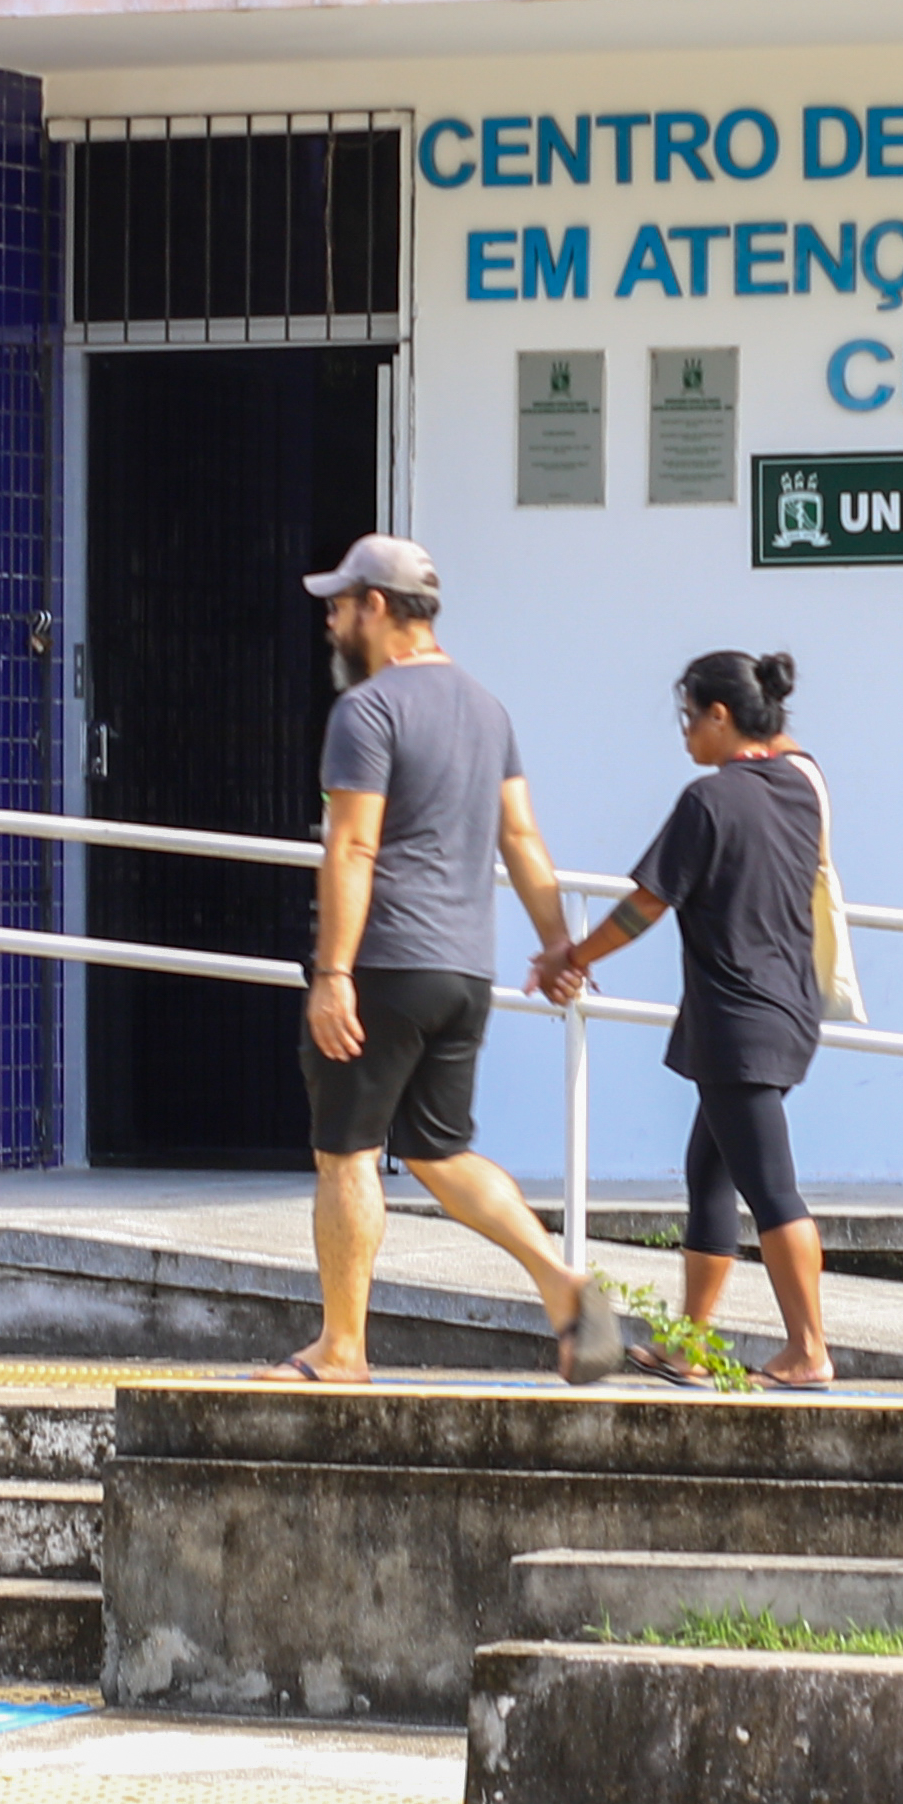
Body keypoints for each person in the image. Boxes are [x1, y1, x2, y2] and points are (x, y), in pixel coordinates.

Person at [268, 534, 621, 1386]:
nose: (329, 621)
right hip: (463, 970)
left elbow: (352, 846)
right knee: (437, 1150)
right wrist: (557, 946)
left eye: (340, 604)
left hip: (385, 963)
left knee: (346, 1151)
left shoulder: (367, 711)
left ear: (377, 607)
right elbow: (521, 837)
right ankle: (563, 1284)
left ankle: (341, 1348)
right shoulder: (485, 708)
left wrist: (333, 972)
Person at [534, 647, 837, 1389]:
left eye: (689, 717)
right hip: (786, 1008)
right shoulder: (799, 786)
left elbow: (647, 903)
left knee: (770, 1187)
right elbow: (787, 746)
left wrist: (571, 955)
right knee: (709, 1168)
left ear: (720, 716)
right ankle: (688, 1346)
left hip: (739, 1017)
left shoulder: (709, 800)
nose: (683, 733)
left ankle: (808, 1350)